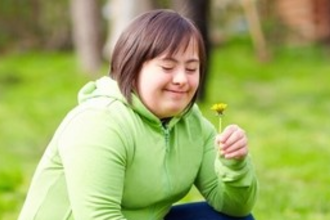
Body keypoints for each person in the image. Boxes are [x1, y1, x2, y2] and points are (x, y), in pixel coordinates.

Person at [18, 9, 258, 220]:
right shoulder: (99, 123)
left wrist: (233, 165)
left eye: (191, 68)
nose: (182, 79)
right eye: (167, 67)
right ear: (132, 66)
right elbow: (98, 217)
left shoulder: (192, 123)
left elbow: (235, 208)